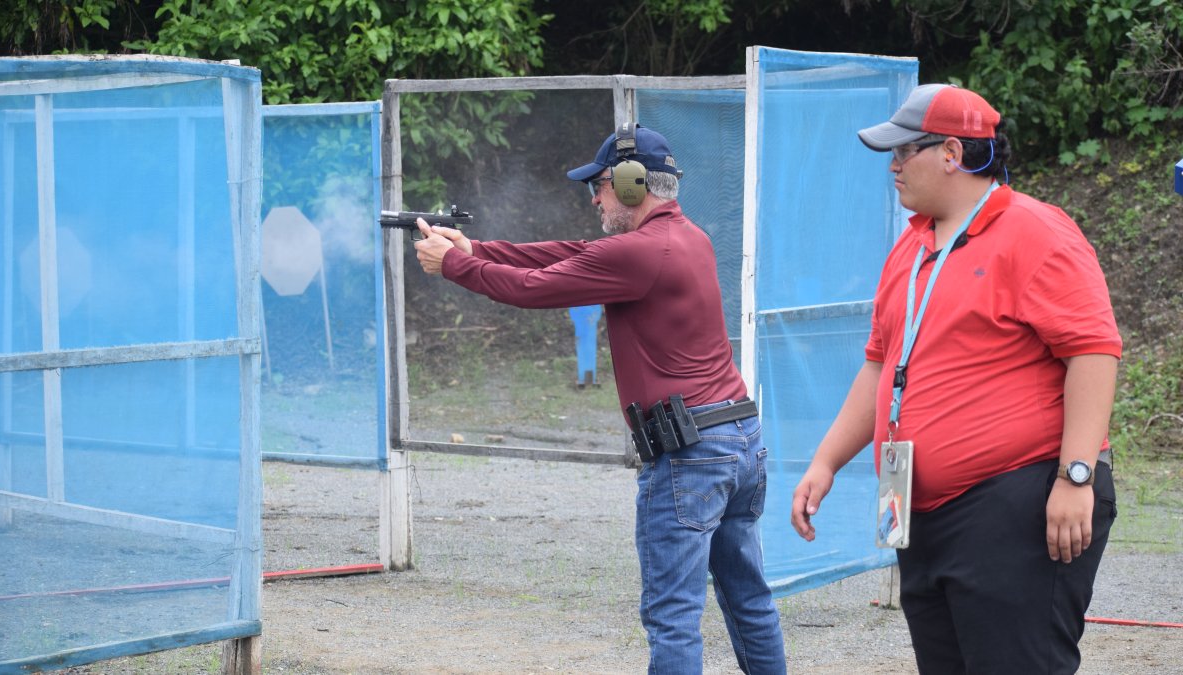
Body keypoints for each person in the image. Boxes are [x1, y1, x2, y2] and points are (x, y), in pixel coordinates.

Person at [413, 123, 787, 674]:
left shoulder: (640, 252)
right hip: (738, 439)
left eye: (602, 185)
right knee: (748, 599)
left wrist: (455, 266)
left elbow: (531, 289)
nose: (594, 196)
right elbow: (567, 253)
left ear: (634, 184)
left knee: (673, 616)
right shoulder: (686, 236)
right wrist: (479, 248)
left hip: (690, 453)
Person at [789, 84, 1122, 674]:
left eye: (902, 151)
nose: (891, 166)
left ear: (951, 152)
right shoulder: (913, 246)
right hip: (919, 507)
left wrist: (1076, 477)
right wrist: (826, 461)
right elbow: (880, 364)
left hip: (1013, 498)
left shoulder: (1036, 231)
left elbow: (1093, 352)